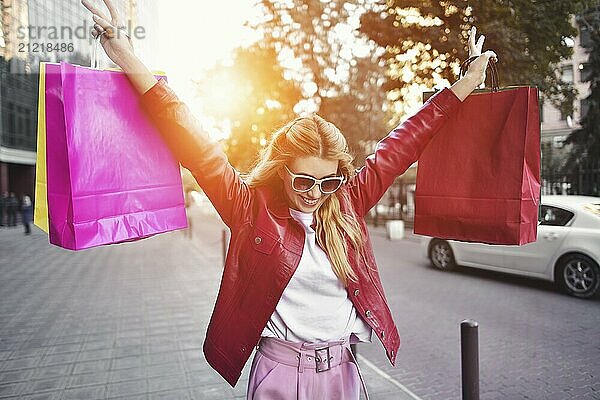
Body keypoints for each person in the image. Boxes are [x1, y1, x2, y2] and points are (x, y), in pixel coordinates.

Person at [82, 1, 497, 398]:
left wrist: (465, 85)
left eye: (327, 182)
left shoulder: (348, 203)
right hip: (279, 372)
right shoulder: (249, 209)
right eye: (303, 181)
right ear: (282, 170)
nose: (315, 194)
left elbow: (404, 143)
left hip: (342, 371)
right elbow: (196, 145)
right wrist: (127, 58)